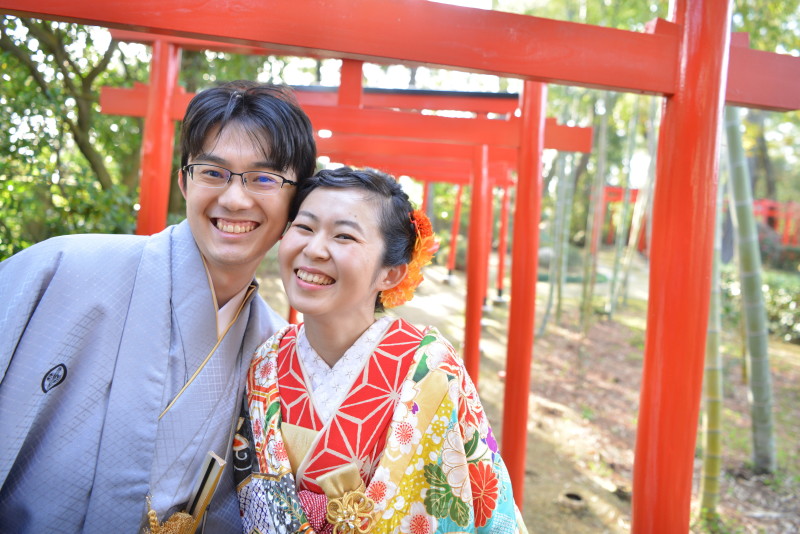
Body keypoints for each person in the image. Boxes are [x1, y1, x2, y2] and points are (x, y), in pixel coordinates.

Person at [0, 80, 317, 533]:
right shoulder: (63, 269)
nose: (234, 198)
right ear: (184, 182)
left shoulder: (270, 349)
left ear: (295, 201)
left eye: (264, 178)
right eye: (213, 172)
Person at [235, 166, 526, 533]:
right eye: (305, 227)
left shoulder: (431, 369)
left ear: (391, 274)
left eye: (344, 236)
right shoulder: (265, 363)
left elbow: (483, 501)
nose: (314, 249)